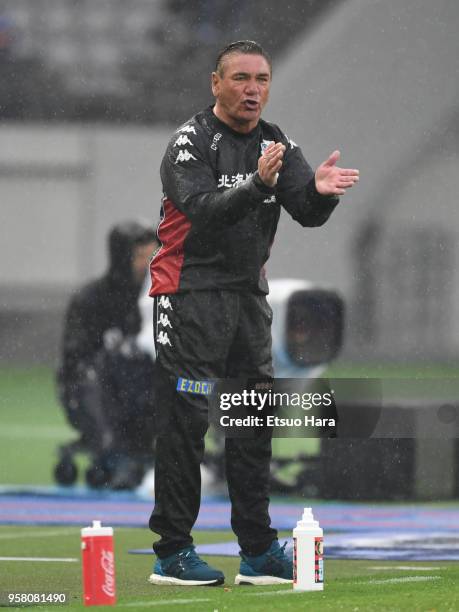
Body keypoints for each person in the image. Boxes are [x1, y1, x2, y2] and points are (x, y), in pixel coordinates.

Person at [148, 40, 359, 586]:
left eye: (262, 79)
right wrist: (257, 185)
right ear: (215, 82)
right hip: (189, 294)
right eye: (241, 78)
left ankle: (258, 551)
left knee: (250, 422)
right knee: (187, 424)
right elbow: (202, 213)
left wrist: (319, 193)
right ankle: (172, 553)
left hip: (246, 299)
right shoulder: (189, 144)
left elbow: (307, 214)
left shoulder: (277, 142)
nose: (253, 90)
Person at [56, 220, 158, 488]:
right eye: (139, 257)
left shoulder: (157, 299)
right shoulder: (90, 299)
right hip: (92, 388)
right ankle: (114, 452)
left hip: (142, 388)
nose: (146, 264)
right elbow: (75, 358)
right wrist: (117, 357)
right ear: (122, 258)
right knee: (99, 371)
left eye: (152, 256)